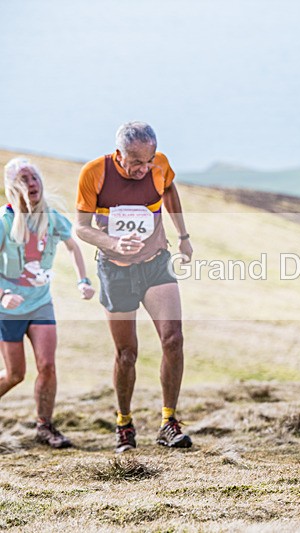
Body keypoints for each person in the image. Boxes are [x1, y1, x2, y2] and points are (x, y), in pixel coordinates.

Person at [75, 121, 193, 453]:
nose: (144, 169)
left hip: (156, 263)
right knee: (127, 355)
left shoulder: (159, 166)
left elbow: (169, 191)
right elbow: (81, 228)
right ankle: (124, 424)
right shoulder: (94, 173)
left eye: (149, 160)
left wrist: (183, 236)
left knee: (173, 339)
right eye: (135, 162)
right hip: (116, 271)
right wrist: (112, 241)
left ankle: (168, 422)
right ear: (119, 154)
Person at [1, 157, 96, 448]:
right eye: (24, 179)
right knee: (15, 374)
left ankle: (45, 427)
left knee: (48, 366)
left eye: (35, 178)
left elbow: (72, 246)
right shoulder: (5, 222)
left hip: (41, 304)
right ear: (13, 187)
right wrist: (4, 294)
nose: (32, 184)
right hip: (9, 310)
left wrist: (83, 280)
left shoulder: (52, 217)